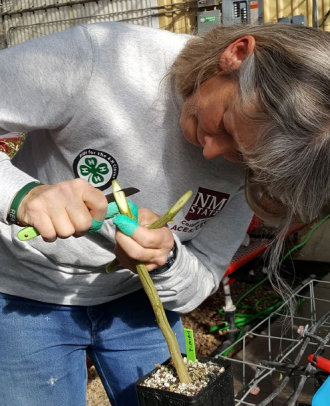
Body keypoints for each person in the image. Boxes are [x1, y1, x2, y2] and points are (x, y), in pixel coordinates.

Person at [0, 20, 329, 406]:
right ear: (236, 55)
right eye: (223, 124)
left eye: (240, 155)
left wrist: (166, 259)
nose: (211, 152)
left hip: (137, 301)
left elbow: (202, 274)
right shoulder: (103, 58)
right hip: (24, 292)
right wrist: (22, 194)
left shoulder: (261, 164)